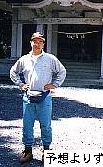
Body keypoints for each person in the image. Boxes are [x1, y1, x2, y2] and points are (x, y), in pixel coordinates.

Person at [10, 32, 66, 164]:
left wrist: (54, 84)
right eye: (35, 41)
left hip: (44, 96)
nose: (37, 43)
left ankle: (46, 150)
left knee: (46, 125)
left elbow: (62, 71)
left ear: (43, 43)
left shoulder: (50, 58)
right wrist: (20, 84)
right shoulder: (24, 59)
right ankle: (28, 150)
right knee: (27, 125)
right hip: (28, 97)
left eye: (40, 41)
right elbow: (13, 71)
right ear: (31, 42)